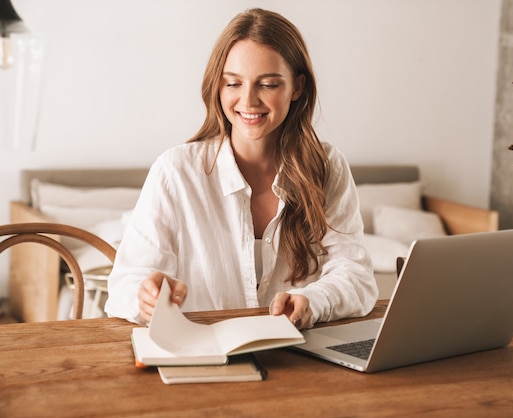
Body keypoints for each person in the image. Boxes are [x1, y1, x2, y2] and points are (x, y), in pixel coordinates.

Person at [104, 8, 378, 329]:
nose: (248, 101)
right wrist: (146, 295)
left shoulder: (327, 167)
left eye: (268, 84)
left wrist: (313, 301)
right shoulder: (176, 171)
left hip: (301, 358)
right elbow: (124, 285)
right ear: (218, 87)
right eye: (233, 83)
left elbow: (356, 274)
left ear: (297, 88)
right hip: (205, 353)